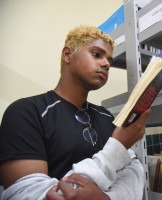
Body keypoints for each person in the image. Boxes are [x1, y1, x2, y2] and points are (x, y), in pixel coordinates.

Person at [0, 25, 151, 200]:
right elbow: (30, 193)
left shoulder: (107, 116)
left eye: (109, 59)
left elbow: (134, 172)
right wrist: (118, 146)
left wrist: (106, 199)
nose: (107, 64)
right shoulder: (26, 112)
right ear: (67, 54)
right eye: (96, 54)